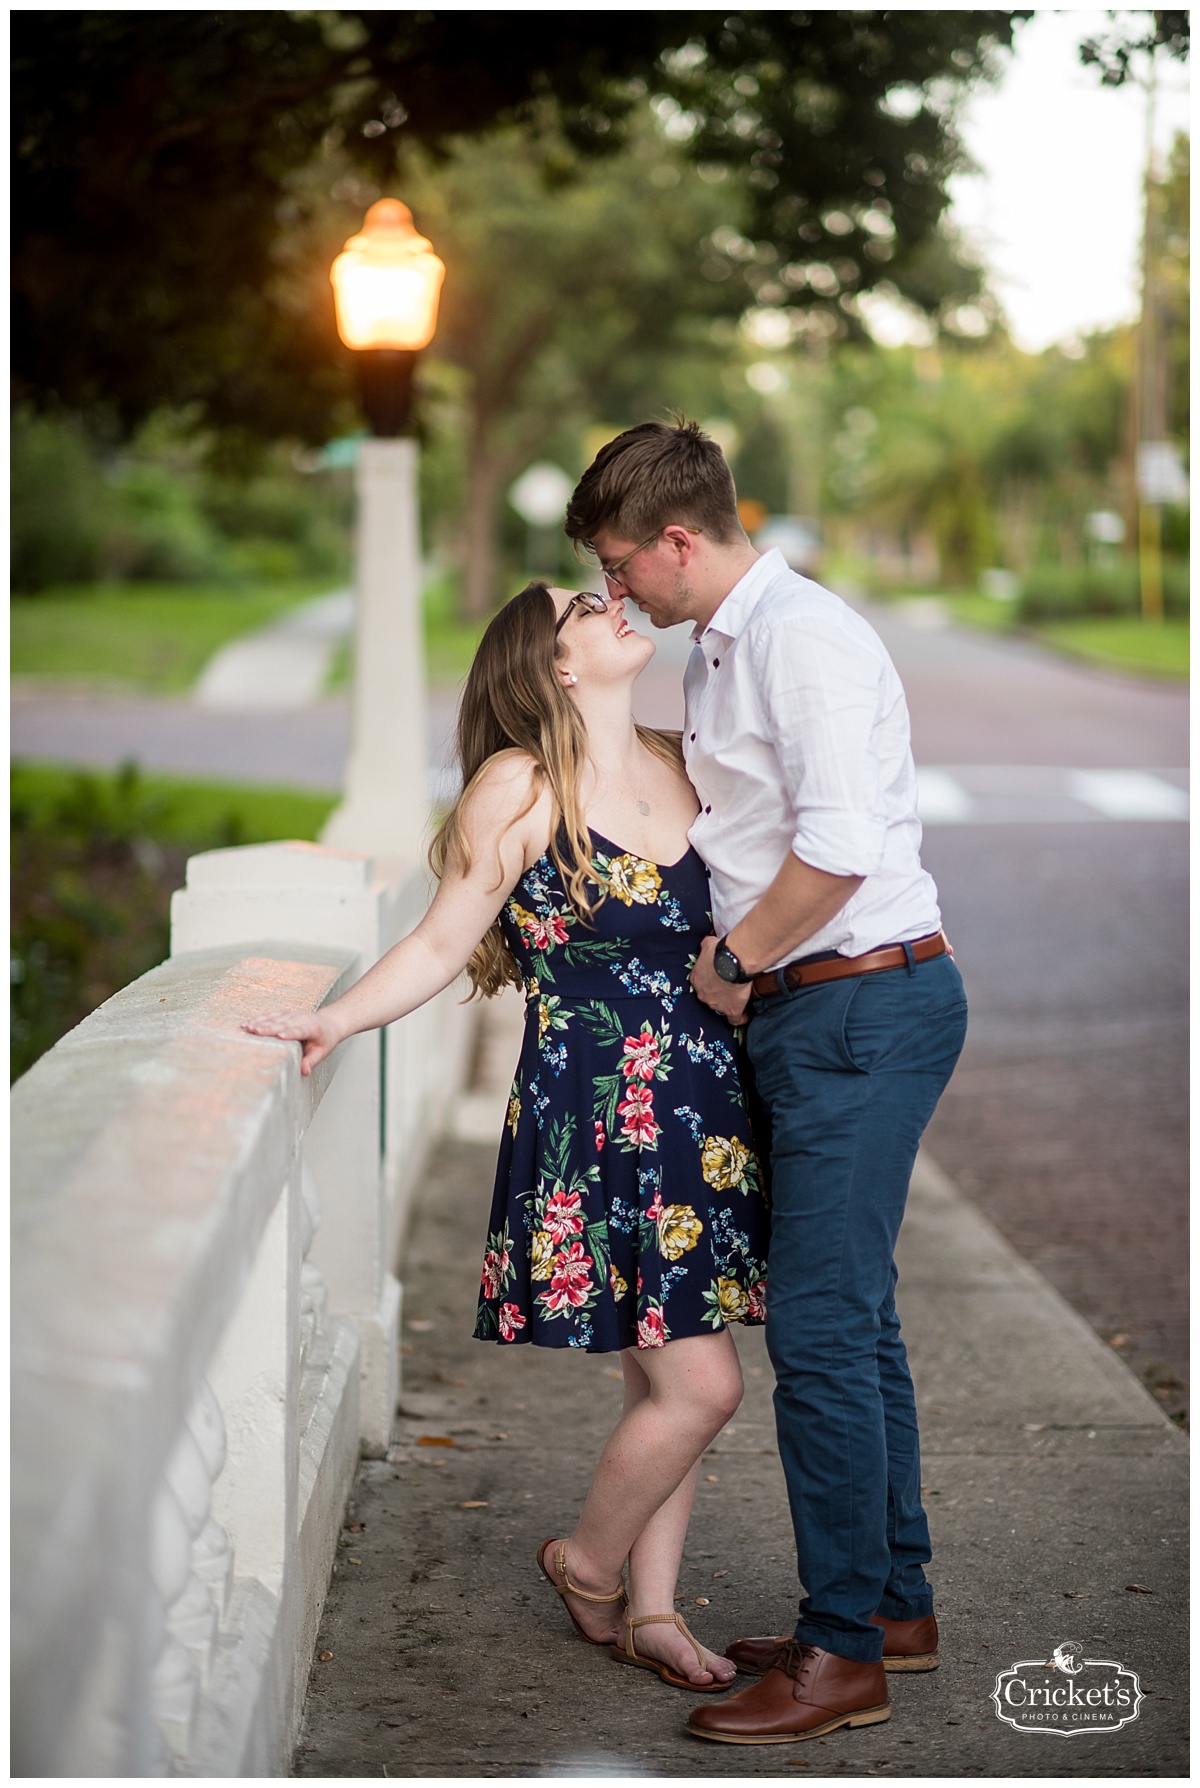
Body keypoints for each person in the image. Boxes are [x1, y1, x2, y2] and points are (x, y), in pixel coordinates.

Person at [243, 577, 770, 1692]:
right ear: (555, 665)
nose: (615, 601)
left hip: (704, 1113)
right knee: (702, 1387)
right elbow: (442, 945)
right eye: (585, 605)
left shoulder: (683, 762)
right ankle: (586, 1563)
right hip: (600, 1118)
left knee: (661, 1381)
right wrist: (335, 1016)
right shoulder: (520, 785)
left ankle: (656, 1609)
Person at [562, 420, 968, 1745]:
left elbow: (841, 848)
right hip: (821, 1011)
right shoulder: (733, 640)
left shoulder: (800, 640)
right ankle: (893, 1600)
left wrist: (730, 962)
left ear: (681, 540)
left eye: (626, 569)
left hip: (857, 1005)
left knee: (819, 1335)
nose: (621, 594)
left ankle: (844, 1654)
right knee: (858, 1317)